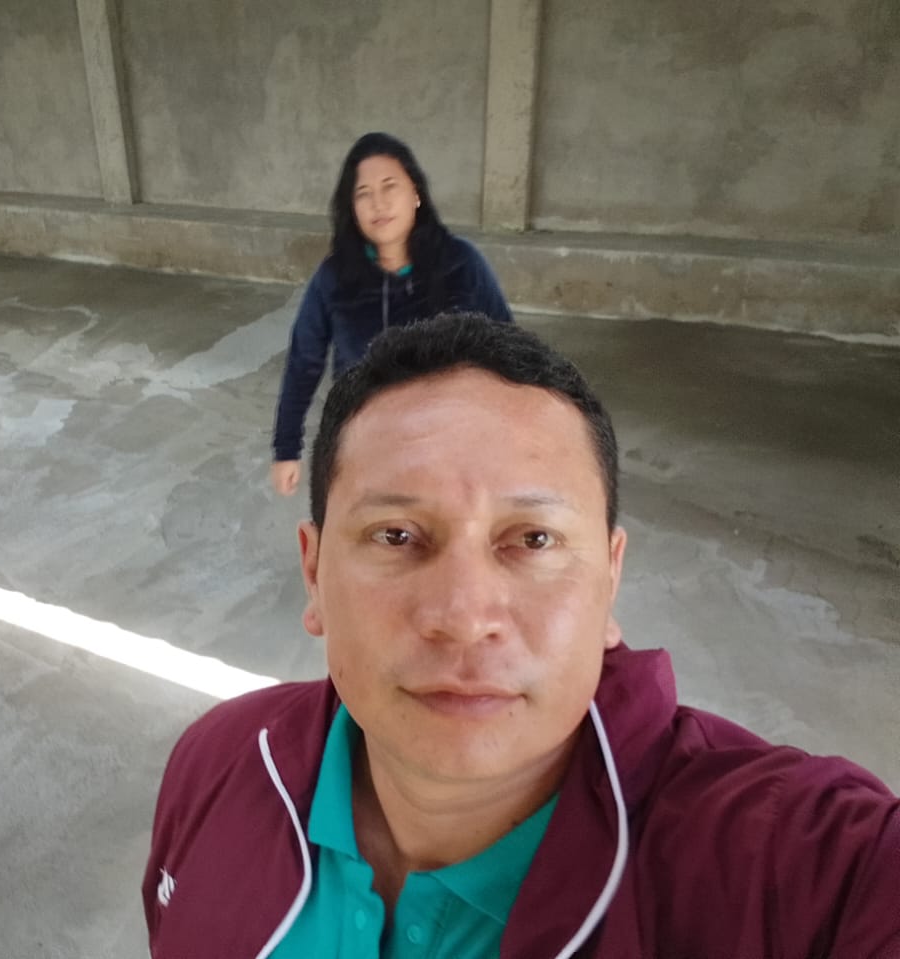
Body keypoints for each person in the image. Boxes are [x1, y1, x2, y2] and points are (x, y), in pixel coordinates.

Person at [145, 314, 900, 958]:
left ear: (609, 579)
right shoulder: (219, 761)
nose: (464, 615)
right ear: (314, 573)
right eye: (397, 534)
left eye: (533, 539)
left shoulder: (807, 868)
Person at [269, 132, 513, 497]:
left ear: (415, 194)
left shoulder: (461, 263)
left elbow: (508, 348)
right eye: (363, 193)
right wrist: (286, 449)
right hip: (367, 446)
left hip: (452, 446)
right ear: (352, 209)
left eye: (389, 186)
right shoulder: (335, 277)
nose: (378, 203)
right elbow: (304, 360)